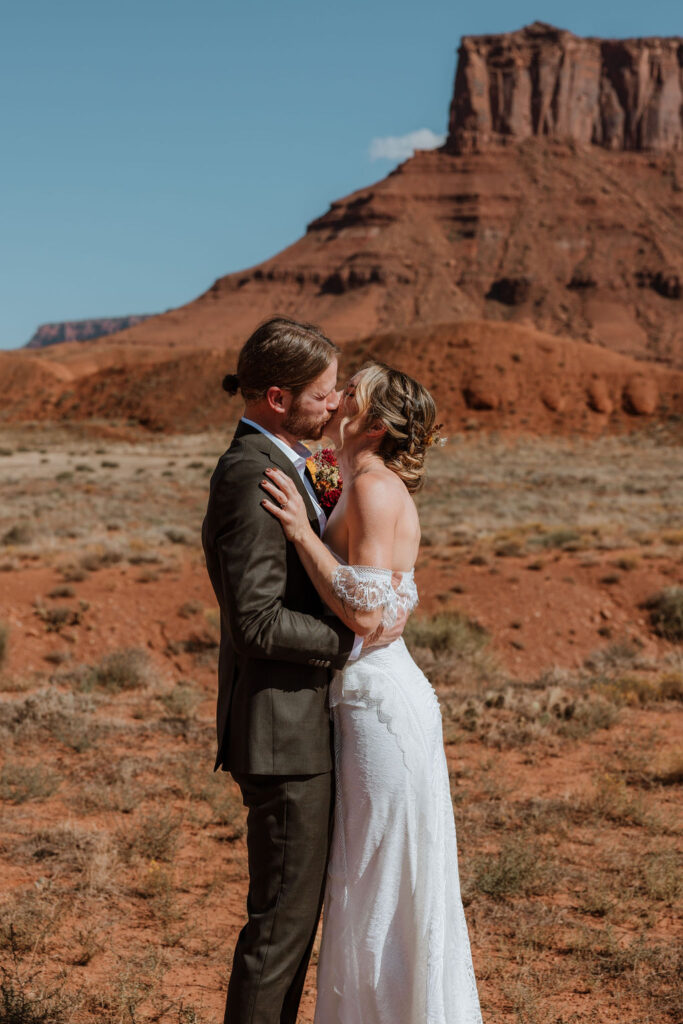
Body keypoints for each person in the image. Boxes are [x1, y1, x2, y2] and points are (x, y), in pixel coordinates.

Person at [260, 362, 484, 1024]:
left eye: (347, 398)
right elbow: (380, 606)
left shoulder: (374, 487)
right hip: (365, 693)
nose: (331, 404)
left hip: (378, 707)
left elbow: (364, 614)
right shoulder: (359, 482)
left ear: (375, 425)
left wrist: (302, 533)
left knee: (381, 879)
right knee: (366, 878)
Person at [201, 318, 405, 1024]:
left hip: (300, 726)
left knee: (292, 922)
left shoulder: (287, 460)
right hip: (280, 733)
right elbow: (254, 620)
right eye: (326, 391)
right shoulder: (248, 473)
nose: (340, 401)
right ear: (280, 398)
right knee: (280, 931)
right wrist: (352, 642)